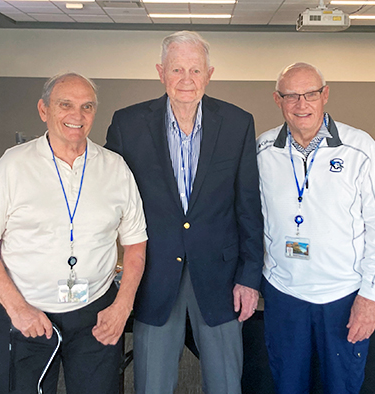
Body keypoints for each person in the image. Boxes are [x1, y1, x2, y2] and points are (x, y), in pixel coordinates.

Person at [0, 72, 147, 394]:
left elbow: (136, 243)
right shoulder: (14, 165)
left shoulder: (115, 167)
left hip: (96, 315)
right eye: (65, 105)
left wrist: (122, 306)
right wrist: (17, 308)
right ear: (43, 109)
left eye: (87, 107)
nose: (77, 116)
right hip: (26, 315)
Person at [105, 31, 264, 394]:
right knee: (152, 384)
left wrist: (250, 277)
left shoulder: (238, 123)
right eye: (177, 69)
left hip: (222, 278)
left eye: (196, 69)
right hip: (154, 274)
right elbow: (108, 199)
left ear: (209, 74)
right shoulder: (127, 124)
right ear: (161, 73)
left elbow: (249, 208)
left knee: (226, 383)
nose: (187, 79)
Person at [257, 62, 375, 393]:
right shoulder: (261, 150)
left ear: (325, 95)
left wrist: (369, 296)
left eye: (311, 94)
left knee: (341, 386)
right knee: (287, 384)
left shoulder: (359, 148)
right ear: (278, 100)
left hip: (342, 295)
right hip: (284, 293)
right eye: (291, 96)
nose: (301, 104)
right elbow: (250, 219)